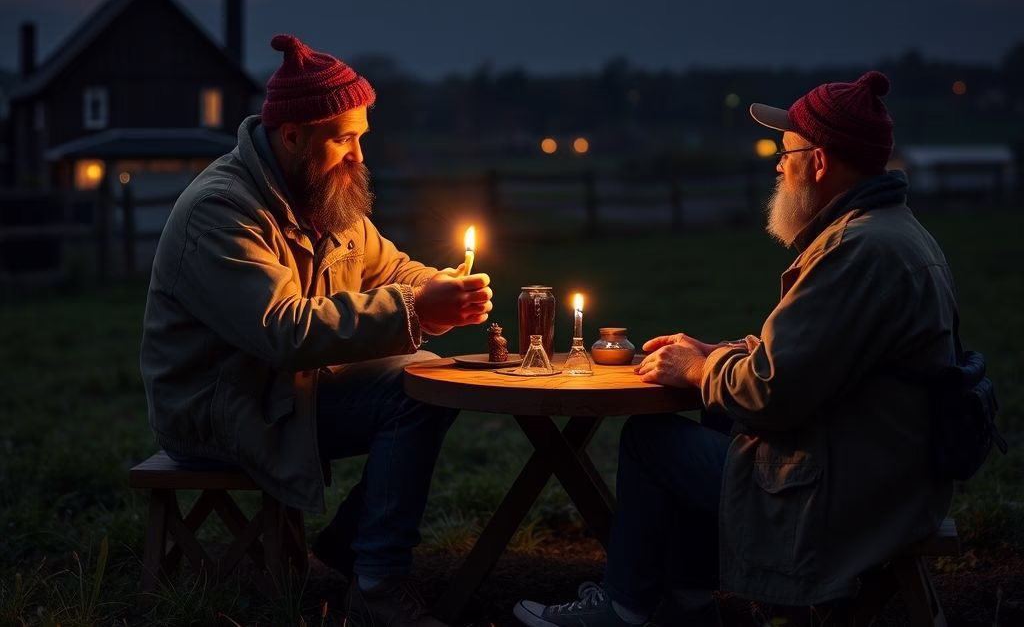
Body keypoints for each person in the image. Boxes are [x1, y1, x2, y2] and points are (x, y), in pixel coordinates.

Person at [514, 71, 956, 627]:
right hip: (883, 468)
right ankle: (687, 603)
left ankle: (625, 608)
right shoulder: (892, 231)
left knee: (652, 440)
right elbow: (830, 358)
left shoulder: (856, 249)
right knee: (720, 422)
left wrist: (701, 366)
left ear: (818, 162)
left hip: (852, 495)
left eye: (785, 151)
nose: (777, 164)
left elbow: (772, 392)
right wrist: (723, 351)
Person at [142, 34, 493, 627]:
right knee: (414, 389)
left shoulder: (324, 192)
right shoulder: (221, 210)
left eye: (361, 137)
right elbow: (282, 329)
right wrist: (415, 308)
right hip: (222, 408)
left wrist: (441, 286)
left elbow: (390, 267)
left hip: (287, 391)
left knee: (427, 380)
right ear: (293, 135)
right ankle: (378, 585)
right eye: (344, 139)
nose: (358, 155)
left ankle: (359, 552)